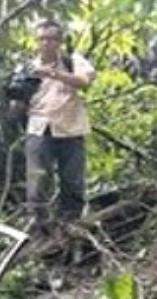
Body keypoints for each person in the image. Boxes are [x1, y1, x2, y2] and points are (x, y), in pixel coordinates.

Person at [19, 19, 95, 235]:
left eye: (52, 39)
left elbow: (84, 81)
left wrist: (53, 73)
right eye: (42, 39)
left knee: (72, 180)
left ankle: (70, 224)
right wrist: (18, 94)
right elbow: (17, 101)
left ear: (60, 41)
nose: (47, 43)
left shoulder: (72, 61)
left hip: (71, 127)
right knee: (37, 180)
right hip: (38, 127)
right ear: (36, 41)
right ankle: (38, 228)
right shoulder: (26, 66)